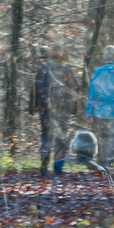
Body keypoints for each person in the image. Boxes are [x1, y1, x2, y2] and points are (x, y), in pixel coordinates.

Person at [29, 41, 82, 177]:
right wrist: (75, 108)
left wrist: (33, 107)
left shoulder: (43, 69)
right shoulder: (67, 71)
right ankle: (58, 168)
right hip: (62, 111)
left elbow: (34, 90)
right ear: (62, 56)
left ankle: (44, 168)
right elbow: (74, 91)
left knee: (45, 138)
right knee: (60, 139)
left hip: (45, 110)